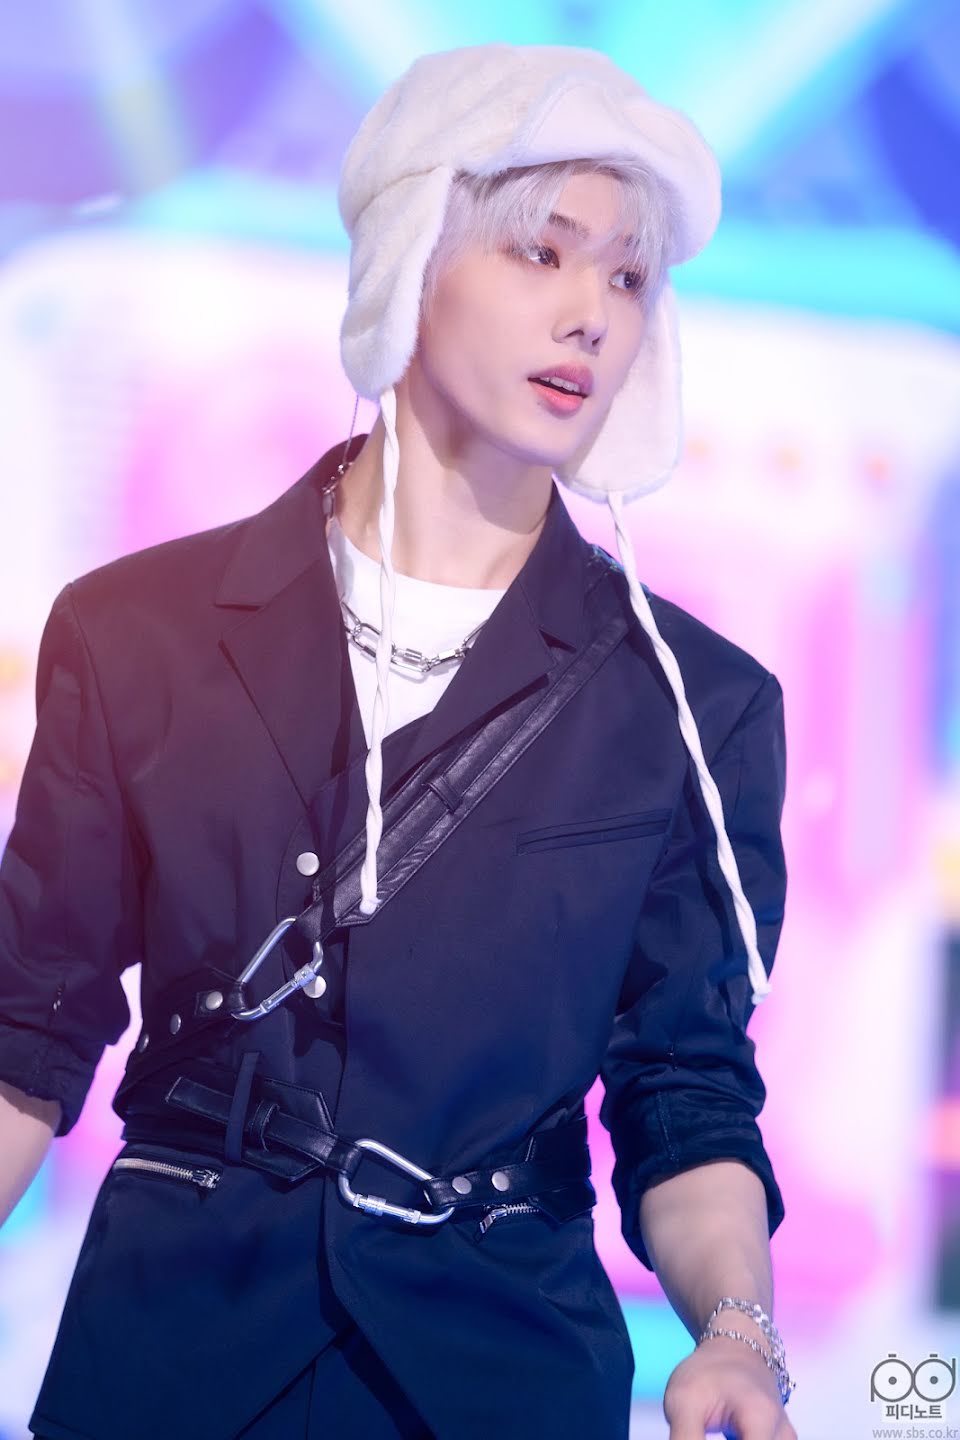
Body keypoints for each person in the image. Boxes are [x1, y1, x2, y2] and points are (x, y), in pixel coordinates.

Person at [0, 42, 796, 1440]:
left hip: (495, 1368)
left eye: (627, 278)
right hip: (172, 1353)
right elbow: (30, 1025)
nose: (591, 316)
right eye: (542, 253)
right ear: (412, 256)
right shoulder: (138, 634)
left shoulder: (691, 707)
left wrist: (737, 1333)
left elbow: (687, 1095)